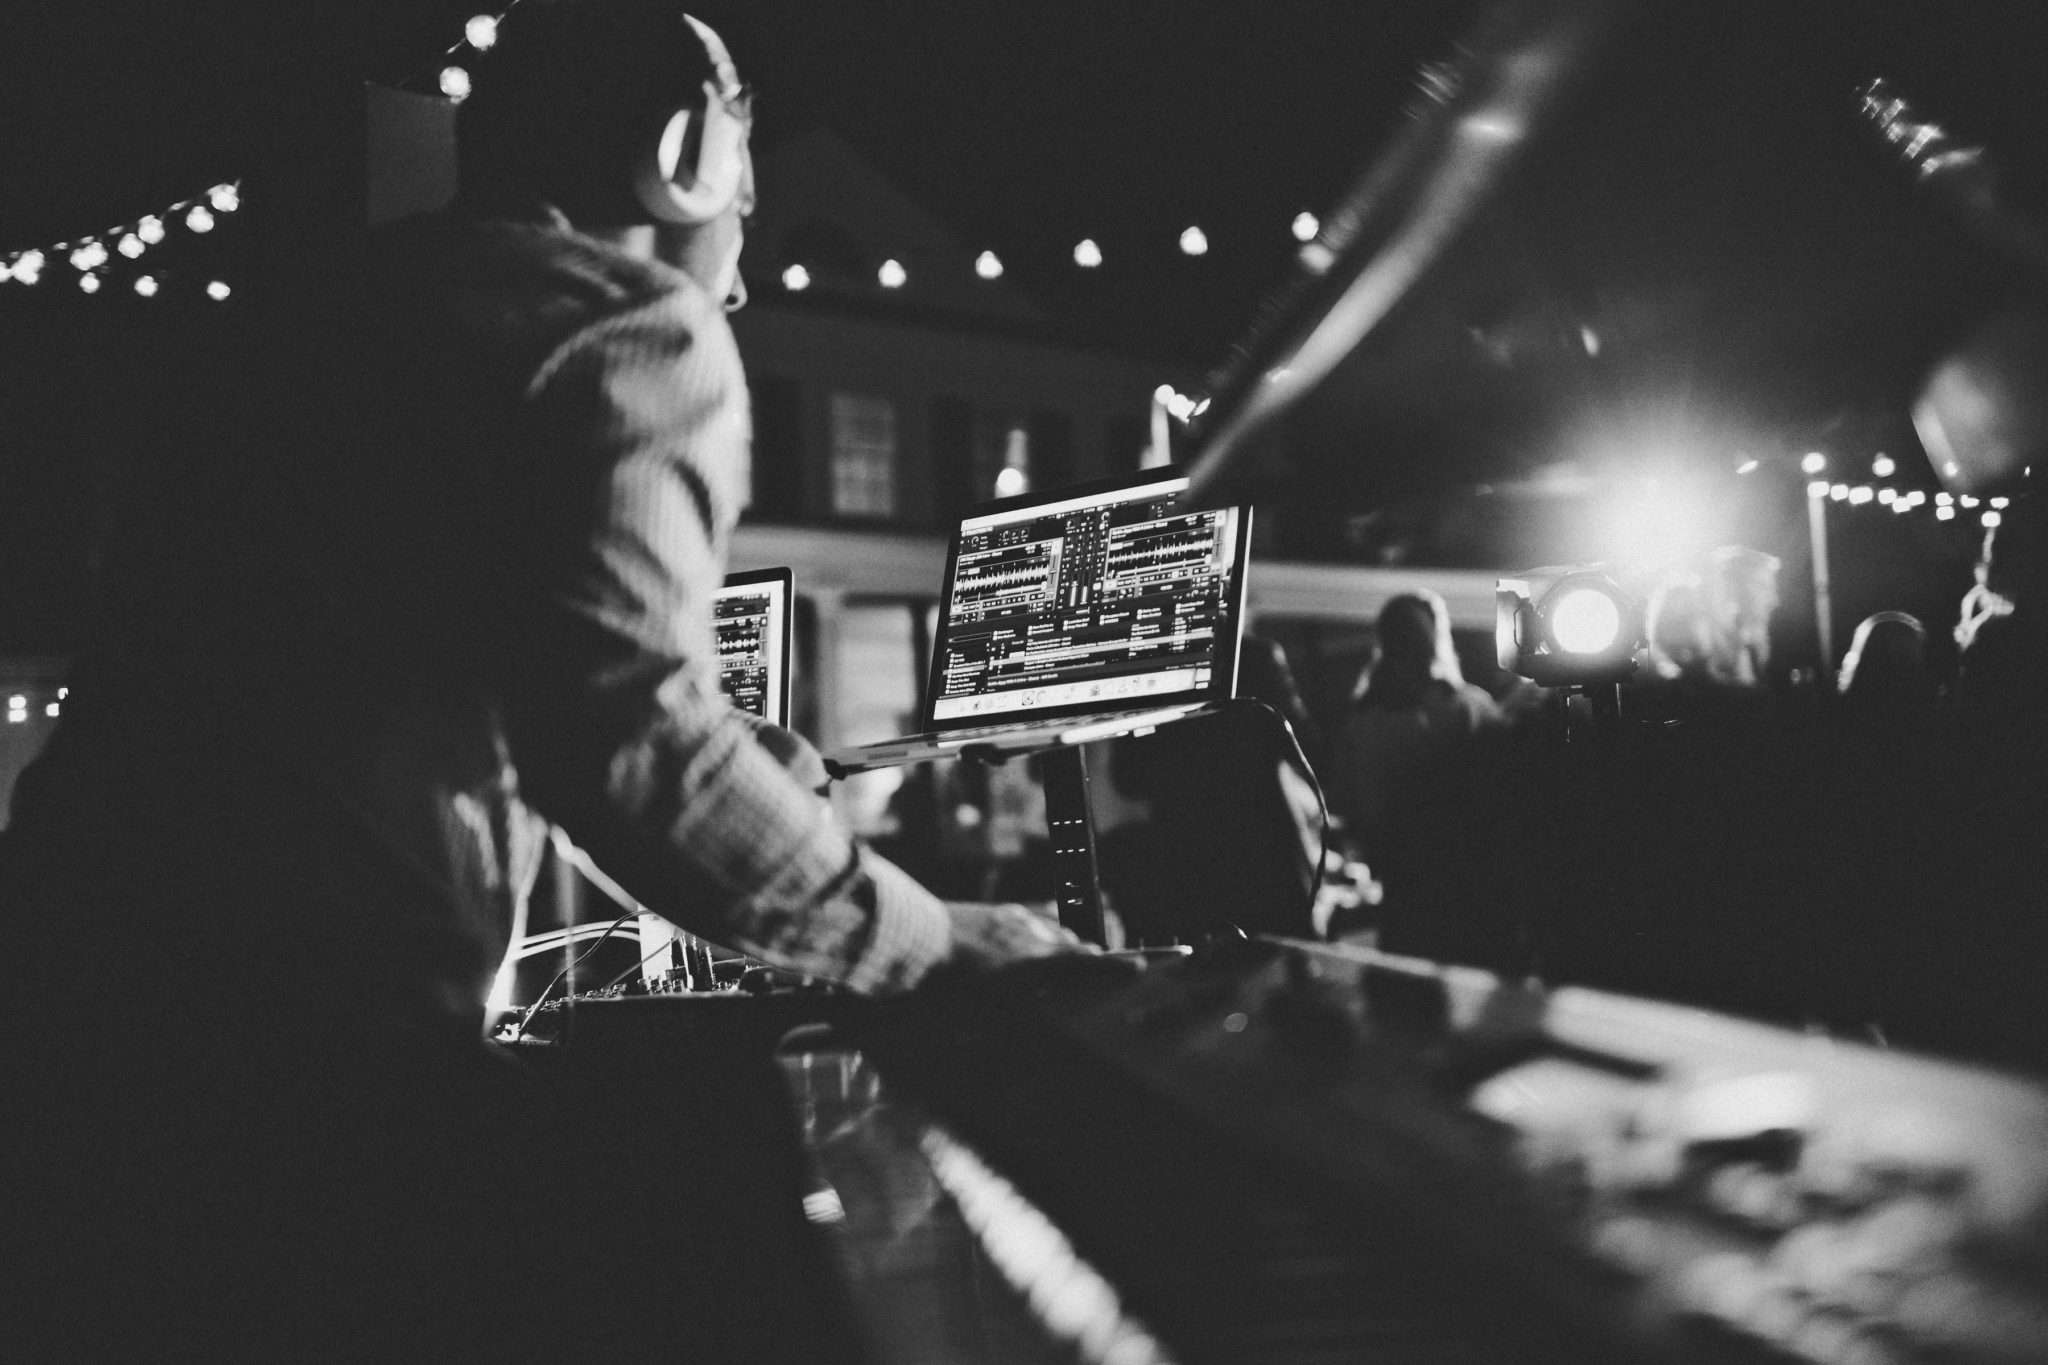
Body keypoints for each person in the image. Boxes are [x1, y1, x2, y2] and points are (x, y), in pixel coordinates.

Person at [0, 3, 1076, 1357]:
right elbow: (625, 742)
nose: (739, 272)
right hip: (296, 1075)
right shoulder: (627, 328)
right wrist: (935, 946)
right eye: (745, 200)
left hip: (65, 1043)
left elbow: (414, 650)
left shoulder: (312, 318)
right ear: (680, 160)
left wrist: (742, 765)